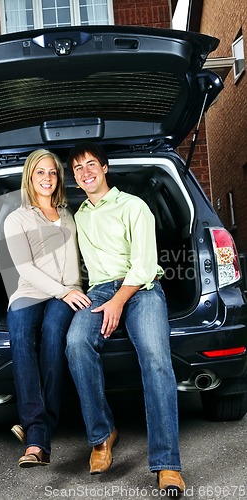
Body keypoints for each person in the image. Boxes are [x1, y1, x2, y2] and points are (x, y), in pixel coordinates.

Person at [65, 142, 185, 495]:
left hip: (142, 288)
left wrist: (118, 301)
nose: (85, 172)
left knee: (156, 358)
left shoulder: (134, 206)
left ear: (104, 168)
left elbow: (145, 265)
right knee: (75, 344)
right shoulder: (80, 215)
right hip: (99, 290)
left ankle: (167, 464)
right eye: (77, 168)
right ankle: (102, 436)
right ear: (74, 178)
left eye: (91, 164)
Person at [4, 149, 91, 468]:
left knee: (54, 337)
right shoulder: (17, 218)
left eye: (52, 172)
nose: (47, 178)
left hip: (67, 293)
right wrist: (62, 291)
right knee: (22, 340)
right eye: (40, 172)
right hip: (30, 291)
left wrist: (73, 290)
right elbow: (24, 267)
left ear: (59, 178)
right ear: (30, 176)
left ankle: (37, 434)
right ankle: (38, 436)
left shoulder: (69, 214)